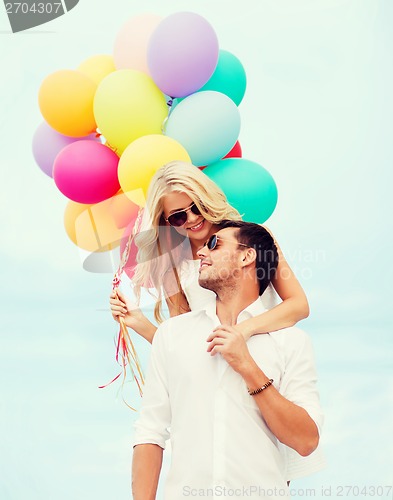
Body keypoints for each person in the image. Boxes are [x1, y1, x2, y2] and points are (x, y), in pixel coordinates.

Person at [132, 221, 323, 500]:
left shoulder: (291, 342)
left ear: (247, 257)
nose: (201, 253)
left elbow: (306, 441)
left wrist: (248, 367)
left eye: (214, 244)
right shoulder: (172, 335)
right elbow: (150, 431)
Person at [109, 161, 309, 345]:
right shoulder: (174, 272)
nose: (193, 218)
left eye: (197, 206)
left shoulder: (252, 238)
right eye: (178, 217)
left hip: (269, 359)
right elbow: (182, 346)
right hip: (216, 374)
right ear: (166, 222)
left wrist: (242, 331)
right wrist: (139, 323)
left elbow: (299, 305)